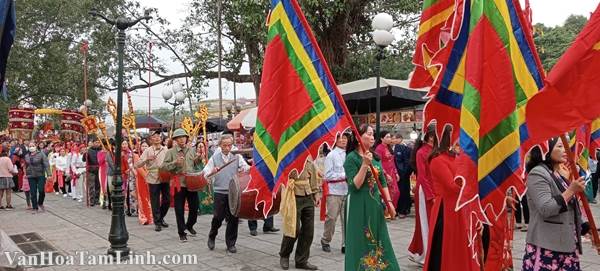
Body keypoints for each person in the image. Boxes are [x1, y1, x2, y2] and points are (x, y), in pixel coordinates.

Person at [522, 138, 587, 271]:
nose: (566, 150)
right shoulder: (537, 173)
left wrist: (586, 228)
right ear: (546, 150)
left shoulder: (558, 173)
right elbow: (546, 208)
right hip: (547, 247)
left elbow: (570, 208)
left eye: (566, 146)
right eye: (560, 146)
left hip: (568, 245)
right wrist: (571, 190)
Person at [343, 124, 399, 271]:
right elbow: (355, 185)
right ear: (358, 137)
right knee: (359, 240)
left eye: (373, 134)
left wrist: (389, 203)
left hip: (374, 204)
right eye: (368, 133)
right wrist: (364, 165)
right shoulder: (351, 158)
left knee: (379, 237)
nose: (372, 137)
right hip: (358, 204)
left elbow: (382, 182)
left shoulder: (375, 157)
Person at [423, 126, 478, 271]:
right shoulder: (437, 160)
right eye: (457, 138)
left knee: (460, 246)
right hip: (446, 210)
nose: (460, 142)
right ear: (448, 138)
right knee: (446, 247)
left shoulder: (457, 157)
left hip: (460, 207)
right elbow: (452, 186)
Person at [203, 133, 251, 253]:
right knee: (218, 217)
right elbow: (206, 172)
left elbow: (246, 168)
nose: (227, 148)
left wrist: (249, 166)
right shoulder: (215, 158)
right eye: (225, 145)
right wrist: (212, 171)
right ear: (220, 145)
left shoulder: (236, 157)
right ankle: (212, 235)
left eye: (230, 145)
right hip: (219, 191)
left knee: (233, 218)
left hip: (234, 191)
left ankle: (231, 243)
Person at [279, 157, 321, 270]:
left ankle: (301, 260)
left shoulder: (308, 157)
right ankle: (284, 255)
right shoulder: (288, 155)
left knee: (309, 231)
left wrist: (316, 193)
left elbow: (313, 177)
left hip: (307, 195)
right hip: (293, 194)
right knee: (293, 228)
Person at [162, 129, 201, 242]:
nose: (181, 139)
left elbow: (195, 163)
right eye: (179, 138)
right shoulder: (170, 152)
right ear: (175, 140)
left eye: (183, 137)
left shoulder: (191, 150)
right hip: (178, 182)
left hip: (191, 182)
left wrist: (198, 159)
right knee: (179, 209)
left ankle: (189, 225)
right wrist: (175, 163)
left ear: (186, 138)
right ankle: (181, 232)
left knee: (194, 208)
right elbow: (163, 167)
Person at [408, 125, 436, 265]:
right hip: (425, 192)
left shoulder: (436, 150)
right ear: (430, 136)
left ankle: (428, 252)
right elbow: (423, 176)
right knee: (425, 222)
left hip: (435, 191)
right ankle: (424, 254)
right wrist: (431, 195)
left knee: (433, 223)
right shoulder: (421, 152)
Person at [320, 132, 349, 253]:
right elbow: (328, 175)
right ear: (336, 140)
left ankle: (345, 244)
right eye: (340, 138)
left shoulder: (350, 154)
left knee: (346, 220)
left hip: (347, 191)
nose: (343, 140)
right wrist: (344, 175)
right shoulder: (331, 155)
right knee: (331, 218)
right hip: (334, 191)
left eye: (345, 138)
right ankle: (326, 239)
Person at [135, 131, 170, 231]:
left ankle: (161, 217)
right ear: (151, 139)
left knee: (167, 199)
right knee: (155, 201)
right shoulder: (148, 151)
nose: (157, 138)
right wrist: (147, 159)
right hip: (153, 177)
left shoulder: (166, 149)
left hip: (164, 176)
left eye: (159, 136)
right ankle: (157, 222)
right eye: (154, 136)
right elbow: (137, 165)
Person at [375, 131, 400, 213]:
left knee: (396, 192)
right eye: (387, 137)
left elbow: (393, 161)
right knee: (386, 193)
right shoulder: (379, 148)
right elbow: (378, 163)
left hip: (392, 172)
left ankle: (392, 210)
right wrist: (385, 174)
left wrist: (396, 173)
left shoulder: (389, 148)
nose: (389, 139)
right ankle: (386, 211)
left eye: (390, 137)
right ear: (382, 138)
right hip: (384, 173)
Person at [24, 142, 50, 213]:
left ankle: (40, 203)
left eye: (33, 146)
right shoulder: (26, 156)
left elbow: (46, 164)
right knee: (33, 192)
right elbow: (25, 165)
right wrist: (25, 173)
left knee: (41, 190)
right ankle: (35, 207)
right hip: (30, 175)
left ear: (36, 146)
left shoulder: (41, 154)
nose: (31, 147)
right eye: (30, 146)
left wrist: (49, 174)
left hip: (40, 175)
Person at [133, 140, 153, 225]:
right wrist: (145, 176)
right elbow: (138, 168)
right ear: (140, 147)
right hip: (141, 179)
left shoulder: (152, 156)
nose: (144, 147)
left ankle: (151, 216)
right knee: (142, 198)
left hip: (151, 179)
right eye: (143, 146)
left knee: (151, 198)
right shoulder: (137, 156)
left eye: (146, 146)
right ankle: (143, 217)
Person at [394, 134, 413, 217]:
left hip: (403, 173)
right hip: (397, 173)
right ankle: (401, 208)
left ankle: (403, 209)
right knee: (401, 191)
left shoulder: (404, 148)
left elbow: (406, 161)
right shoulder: (393, 148)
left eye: (395, 138)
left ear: (400, 139)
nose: (393, 139)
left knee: (404, 191)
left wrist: (404, 172)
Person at [85, 138, 102, 207]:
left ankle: (97, 199)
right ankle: (91, 200)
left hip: (99, 169)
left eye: (98, 142)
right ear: (93, 143)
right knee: (91, 185)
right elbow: (84, 159)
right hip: (91, 169)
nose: (97, 144)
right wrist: (85, 154)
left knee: (98, 185)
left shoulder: (101, 150)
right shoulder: (89, 150)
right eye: (96, 142)